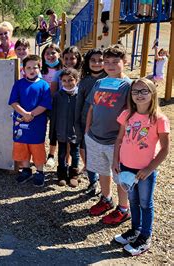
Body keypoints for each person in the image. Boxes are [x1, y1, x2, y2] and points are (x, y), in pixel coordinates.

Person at [112, 78, 170, 256]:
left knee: (145, 203)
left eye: (144, 91)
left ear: (152, 93)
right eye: (135, 91)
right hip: (126, 167)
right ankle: (135, 230)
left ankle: (145, 236)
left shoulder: (159, 119)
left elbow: (165, 149)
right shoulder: (127, 114)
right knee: (133, 200)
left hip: (145, 171)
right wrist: (115, 161)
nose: (139, 95)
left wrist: (149, 169)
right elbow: (120, 139)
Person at [85, 45, 132, 225]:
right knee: (103, 171)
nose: (110, 65)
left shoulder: (128, 85)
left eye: (115, 61)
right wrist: (88, 131)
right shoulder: (99, 82)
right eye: (107, 62)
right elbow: (91, 107)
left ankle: (123, 208)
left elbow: (129, 113)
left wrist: (121, 139)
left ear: (125, 62)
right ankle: (106, 199)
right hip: (95, 137)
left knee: (119, 175)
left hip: (115, 141)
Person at [8, 55, 52, 187]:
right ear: (23, 69)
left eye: (35, 67)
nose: (32, 70)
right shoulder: (19, 84)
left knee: (37, 147)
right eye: (28, 67)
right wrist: (24, 114)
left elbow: (45, 104)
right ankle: (26, 170)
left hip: (37, 123)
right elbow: (13, 102)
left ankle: (39, 171)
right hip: (20, 122)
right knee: (22, 147)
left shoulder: (44, 85)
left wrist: (31, 114)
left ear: (40, 68)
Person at [75, 48, 107, 196]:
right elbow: (79, 103)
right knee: (89, 154)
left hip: (104, 125)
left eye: (100, 60)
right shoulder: (85, 81)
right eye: (93, 60)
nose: (97, 63)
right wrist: (76, 123)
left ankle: (104, 186)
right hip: (85, 122)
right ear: (87, 62)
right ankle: (92, 182)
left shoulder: (110, 79)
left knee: (103, 156)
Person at [48, 46, 83, 168]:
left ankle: (78, 168)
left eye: (72, 58)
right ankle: (64, 166)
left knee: (76, 143)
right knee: (63, 142)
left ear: (78, 58)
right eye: (66, 58)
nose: (69, 61)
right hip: (62, 110)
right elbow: (52, 93)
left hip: (76, 111)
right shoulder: (58, 74)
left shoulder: (82, 74)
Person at [50, 68, 81, 187]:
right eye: (64, 80)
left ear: (77, 80)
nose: (68, 83)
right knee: (62, 153)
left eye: (71, 80)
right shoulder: (58, 96)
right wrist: (53, 130)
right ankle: (62, 175)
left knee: (75, 153)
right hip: (61, 130)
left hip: (75, 131)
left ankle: (74, 174)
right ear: (61, 81)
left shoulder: (79, 95)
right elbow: (54, 114)